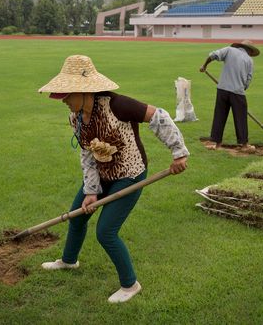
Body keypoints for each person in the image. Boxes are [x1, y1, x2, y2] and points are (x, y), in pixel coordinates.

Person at [38, 55, 189, 303]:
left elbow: (158, 116)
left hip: (129, 176)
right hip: (102, 174)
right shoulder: (76, 118)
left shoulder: (118, 105)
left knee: (106, 231)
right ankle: (68, 261)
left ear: (84, 90)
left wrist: (178, 152)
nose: (63, 100)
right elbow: (87, 155)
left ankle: (130, 285)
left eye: (67, 94)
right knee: (76, 217)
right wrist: (91, 190)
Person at [199, 40, 260, 152]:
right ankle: (244, 144)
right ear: (250, 51)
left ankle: (215, 142)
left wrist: (204, 66)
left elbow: (213, 55)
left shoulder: (229, 50)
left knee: (219, 115)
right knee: (240, 118)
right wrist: (242, 87)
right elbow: (248, 79)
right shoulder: (249, 60)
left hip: (222, 89)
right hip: (238, 92)